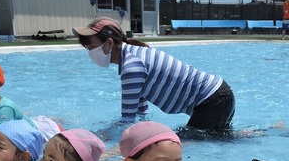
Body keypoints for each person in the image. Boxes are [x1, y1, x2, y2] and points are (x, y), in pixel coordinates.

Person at [72, 17, 235, 133]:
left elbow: (127, 121)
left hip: (211, 101)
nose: (90, 52)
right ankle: (254, 135)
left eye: (91, 46)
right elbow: (141, 112)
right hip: (218, 96)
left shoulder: (131, 66)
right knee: (219, 138)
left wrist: (99, 135)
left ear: (109, 43)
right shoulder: (133, 57)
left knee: (182, 141)